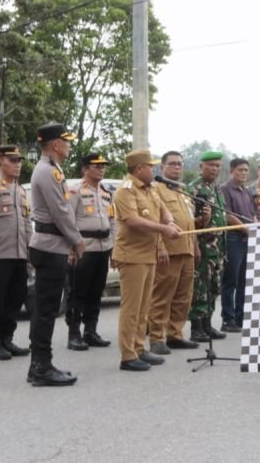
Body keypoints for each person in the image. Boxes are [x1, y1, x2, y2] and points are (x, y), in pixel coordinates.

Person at [112, 149, 182, 371]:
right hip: (132, 256)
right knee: (132, 309)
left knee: (144, 308)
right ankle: (128, 355)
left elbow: (164, 212)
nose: (153, 170)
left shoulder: (151, 189)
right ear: (139, 168)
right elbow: (132, 221)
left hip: (148, 254)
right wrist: (164, 229)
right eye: (150, 166)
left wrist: (170, 223)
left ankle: (140, 348)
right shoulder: (126, 191)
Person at [27, 122, 85, 386]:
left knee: (46, 308)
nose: (69, 146)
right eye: (66, 141)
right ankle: (41, 367)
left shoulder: (51, 169)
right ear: (55, 144)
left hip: (51, 245)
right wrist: (76, 240)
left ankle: (39, 364)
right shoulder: (49, 172)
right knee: (46, 309)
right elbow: (61, 211)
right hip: (50, 246)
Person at [0, 145, 32, 361]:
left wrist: (30, 253)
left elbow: (27, 223)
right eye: (12, 160)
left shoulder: (20, 191)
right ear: (0, 161)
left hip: (20, 254)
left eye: (19, 160)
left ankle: (7, 338)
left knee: (16, 298)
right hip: (0, 255)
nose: (17, 164)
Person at [147, 151, 201, 355]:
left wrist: (195, 245)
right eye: (172, 164)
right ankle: (157, 337)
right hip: (168, 251)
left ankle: (175, 334)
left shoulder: (182, 191)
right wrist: (160, 245)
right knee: (162, 295)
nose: (177, 167)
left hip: (186, 248)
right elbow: (154, 221)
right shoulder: (156, 190)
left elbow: (188, 222)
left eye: (180, 164)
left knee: (183, 296)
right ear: (162, 167)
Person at [65, 153, 116, 351]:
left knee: (96, 292)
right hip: (83, 247)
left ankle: (91, 330)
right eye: (97, 166)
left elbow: (112, 222)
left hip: (102, 247)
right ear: (85, 169)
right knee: (78, 291)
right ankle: (74, 333)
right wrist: (71, 247)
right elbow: (68, 221)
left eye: (103, 165)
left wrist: (113, 248)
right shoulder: (75, 191)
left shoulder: (105, 192)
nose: (102, 169)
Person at [187, 151, 234, 342]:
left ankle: (207, 325)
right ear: (201, 167)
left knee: (214, 287)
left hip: (218, 248)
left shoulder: (216, 188)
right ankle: (196, 328)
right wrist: (196, 246)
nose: (215, 169)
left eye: (217, 166)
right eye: (211, 165)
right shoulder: (194, 189)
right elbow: (191, 222)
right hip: (203, 247)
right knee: (200, 288)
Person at [219, 158, 254, 332]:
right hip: (233, 239)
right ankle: (228, 319)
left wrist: (255, 227)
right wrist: (246, 229)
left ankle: (241, 317)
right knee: (230, 280)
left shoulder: (247, 191)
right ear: (231, 171)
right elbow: (227, 215)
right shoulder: (225, 189)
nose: (244, 173)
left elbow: (252, 214)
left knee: (244, 281)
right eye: (240, 170)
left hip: (248, 240)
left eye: (246, 170)